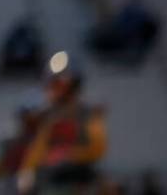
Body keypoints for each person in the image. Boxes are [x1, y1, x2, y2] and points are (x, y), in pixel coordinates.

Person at [17, 52, 107, 195]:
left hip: (80, 181)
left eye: (59, 84)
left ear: (73, 85)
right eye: (53, 84)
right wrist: (27, 170)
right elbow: (39, 147)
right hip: (53, 182)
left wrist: (67, 154)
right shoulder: (50, 115)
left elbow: (97, 147)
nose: (53, 89)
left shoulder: (86, 113)